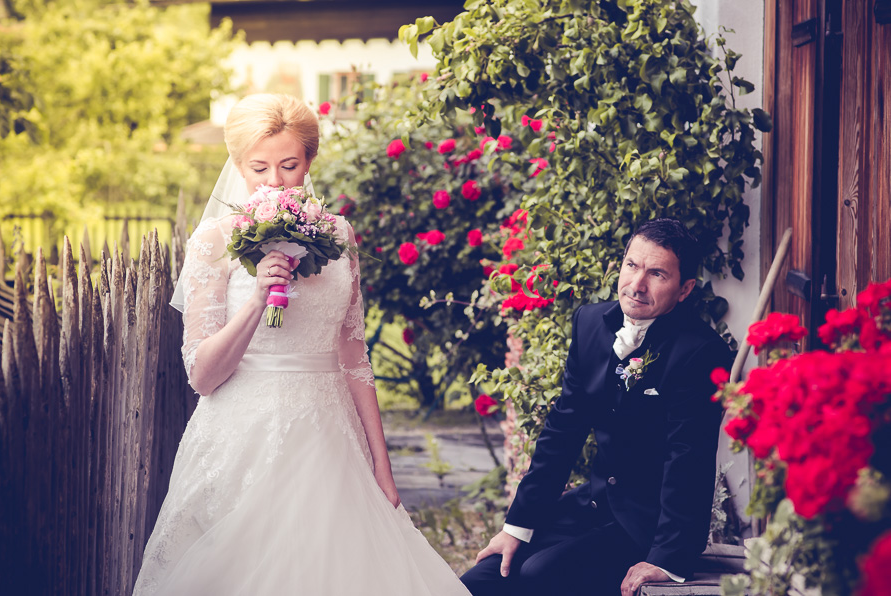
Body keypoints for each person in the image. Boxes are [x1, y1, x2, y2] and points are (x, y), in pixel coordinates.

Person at [134, 94, 470, 595]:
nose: (274, 181)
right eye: (259, 167)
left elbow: (356, 358)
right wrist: (255, 301)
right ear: (237, 165)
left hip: (329, 438)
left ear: (309, 161)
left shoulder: (339, 236)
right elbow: (202, 376)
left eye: (289, 165)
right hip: (241, 440)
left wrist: (381, 463)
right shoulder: (213, 240)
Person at [460, 219, 732, 596]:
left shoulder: (701, 352)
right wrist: (517, 527)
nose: (637, 285)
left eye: (657, 274)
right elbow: (562, 431)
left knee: (541, 575)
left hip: (646, 526)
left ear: (685, 289)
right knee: (481, 580)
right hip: (590, 504)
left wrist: (666, 559)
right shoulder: (590, 323)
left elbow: (688, 458)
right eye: (632, 266)